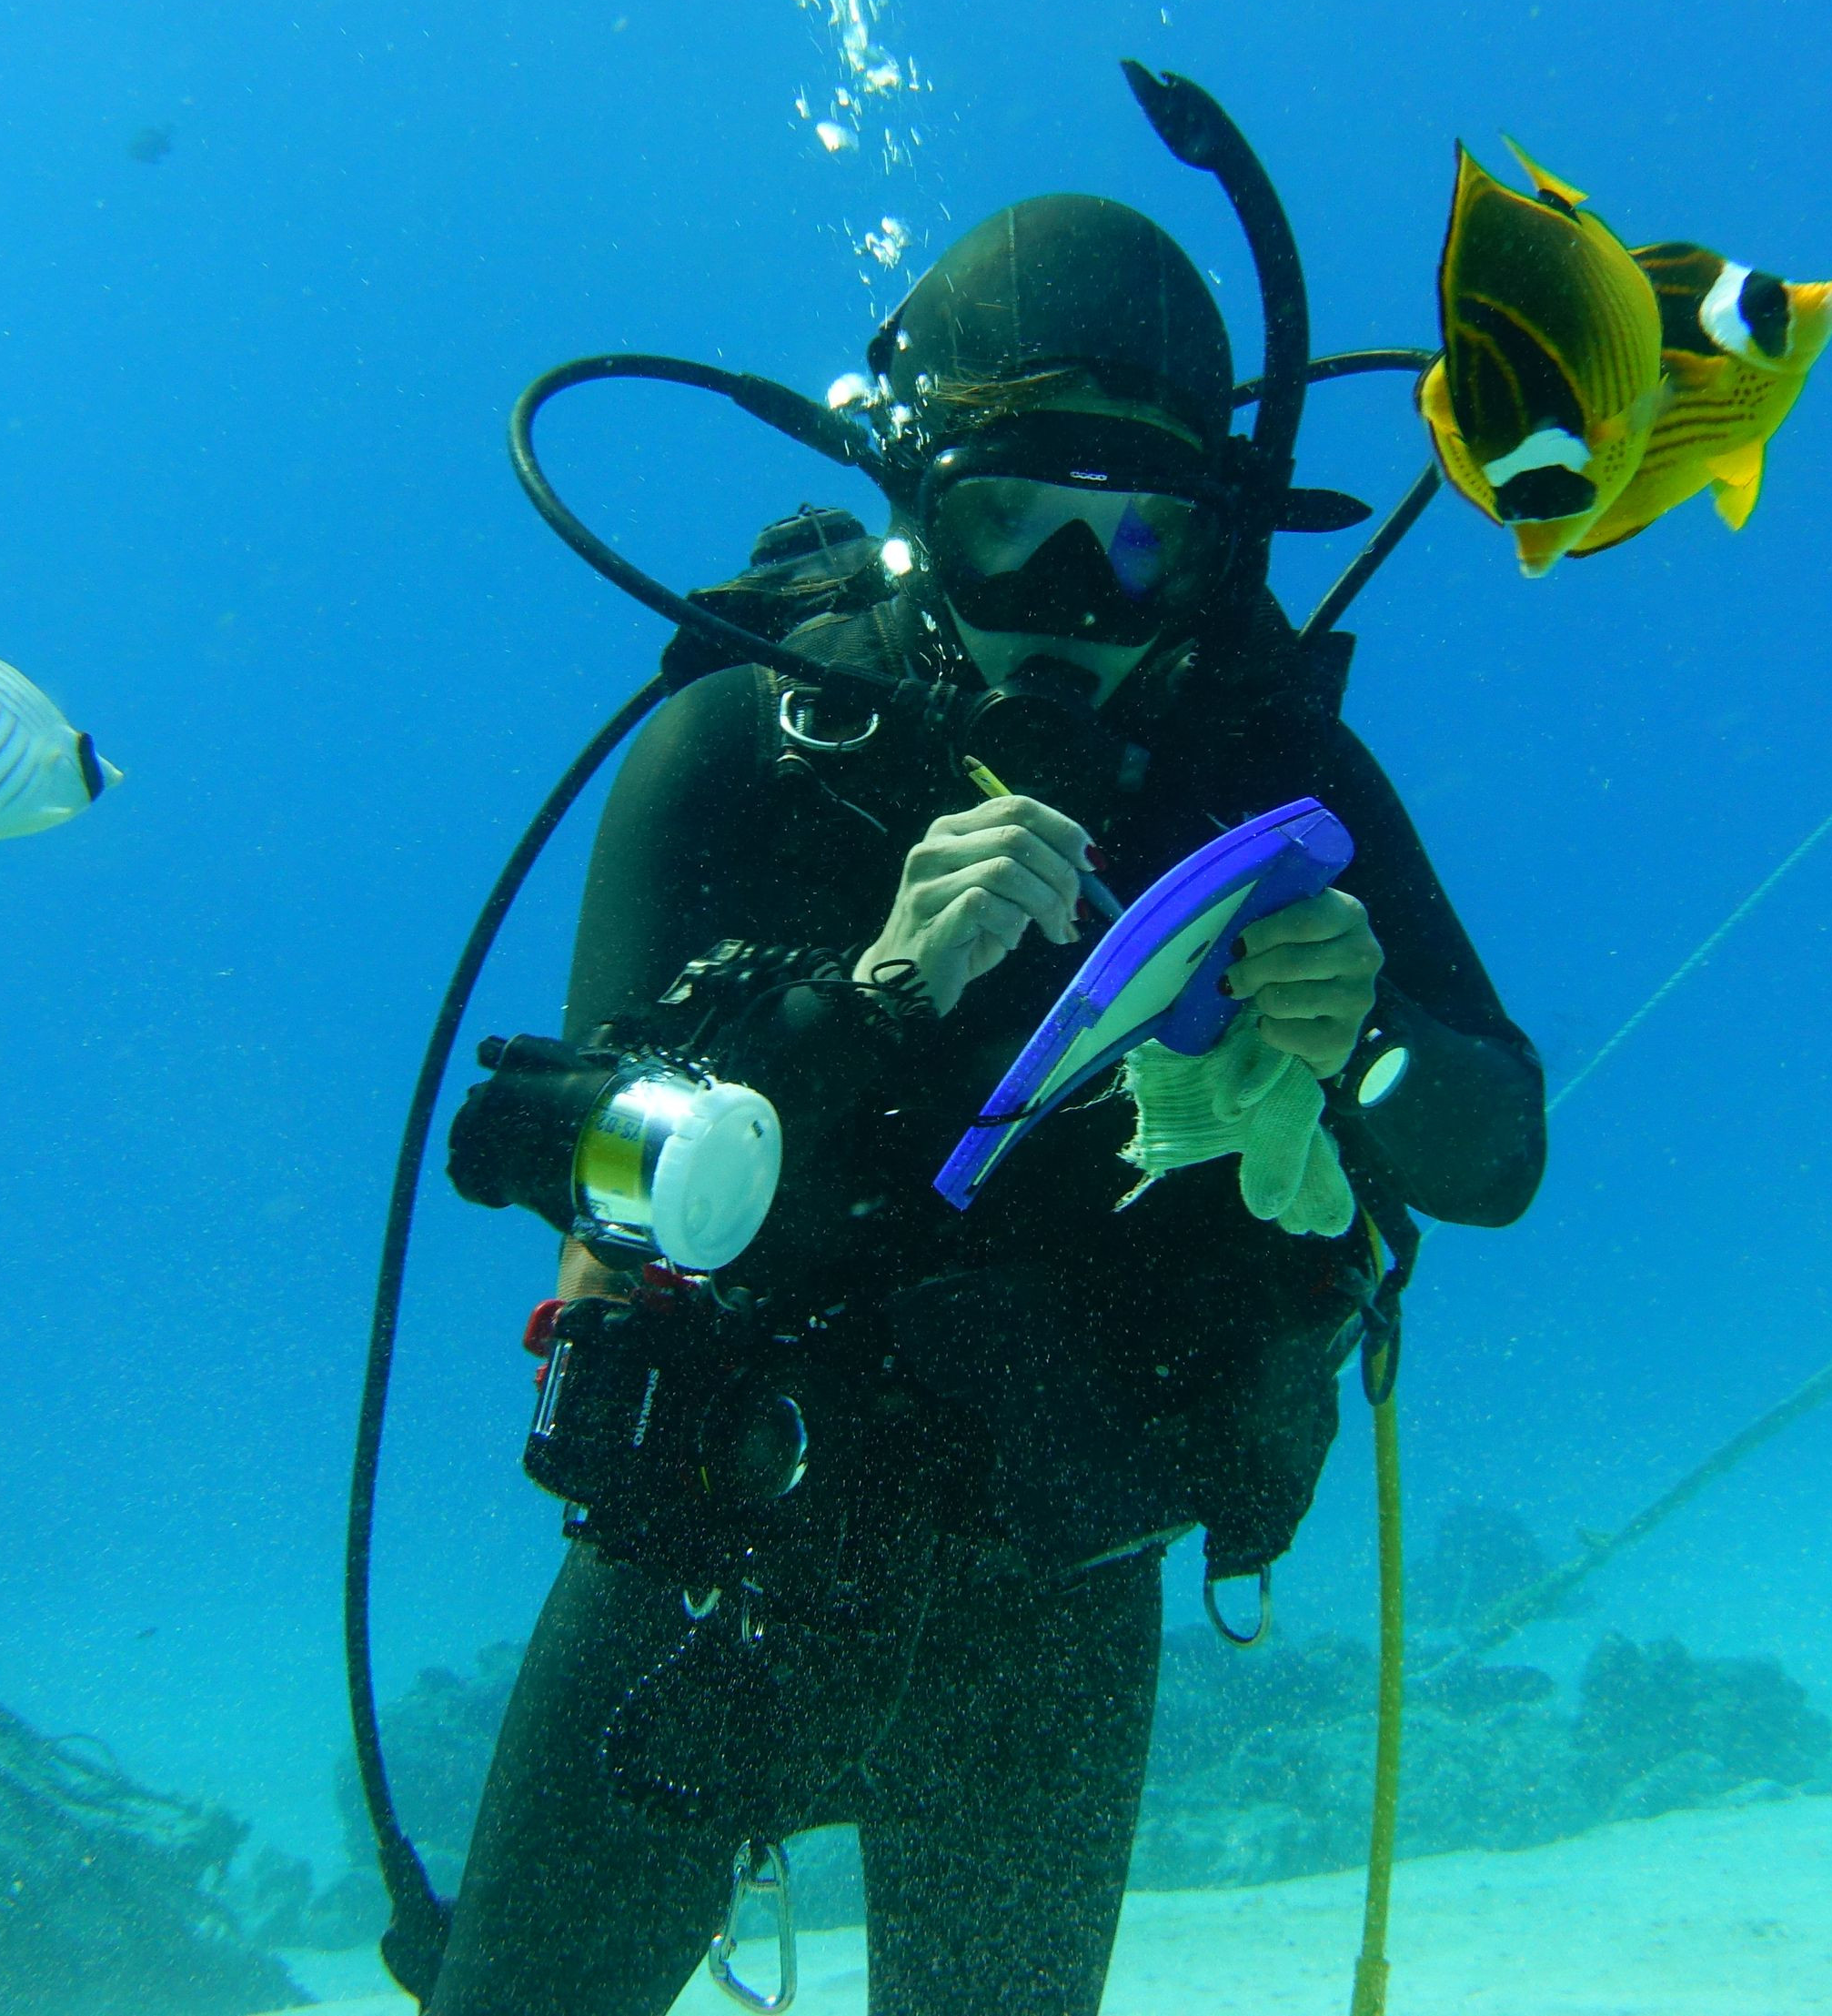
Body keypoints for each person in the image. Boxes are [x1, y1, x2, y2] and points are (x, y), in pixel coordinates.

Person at [426, 193, 1546, 2016]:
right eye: (1008, 524)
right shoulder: (746, 744)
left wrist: (1373, 1032)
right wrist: (870, 994)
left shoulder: (1271, 781)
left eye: (1138, 540)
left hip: (1057, 1579)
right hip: (714, 1544)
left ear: (1214, 547)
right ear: (912, 509)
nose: (1073, 606)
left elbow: (1497, 1152)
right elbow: (568, 1160)